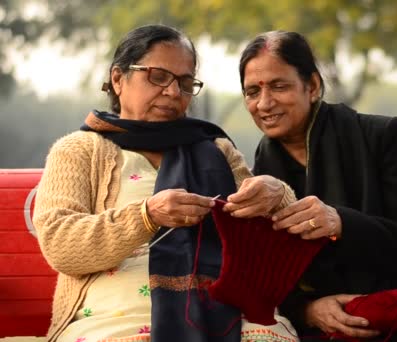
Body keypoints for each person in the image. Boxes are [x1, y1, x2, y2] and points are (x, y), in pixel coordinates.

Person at [227, 30, 397, 341]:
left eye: (279, 86)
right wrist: (308, 310)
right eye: (252, 91)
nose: (264, 103)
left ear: (312, 86)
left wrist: (340, 222)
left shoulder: (383, 137)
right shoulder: (262, 173)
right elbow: (267, 276)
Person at [33, 24, 298, 342]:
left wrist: (276, 195)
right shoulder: (79, 149)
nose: (173, 92)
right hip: (116, 321)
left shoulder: (216, 149)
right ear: (118, 79)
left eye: (186, 83)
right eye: (158, 76)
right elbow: (61, 246)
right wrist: (146, 215)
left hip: (226, 315)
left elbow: (277, 238)